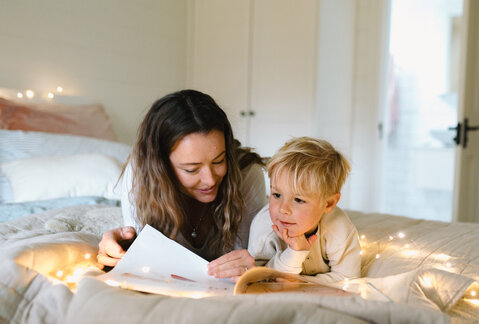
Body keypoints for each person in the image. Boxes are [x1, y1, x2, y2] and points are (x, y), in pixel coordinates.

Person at [97, 89, 267, 280]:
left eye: (219, 161)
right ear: (162, 167)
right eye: (192, 169)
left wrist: (253, 264)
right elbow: (146, 262)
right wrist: (123, 248)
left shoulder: (247, 173)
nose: (210, 180)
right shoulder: (141, 176)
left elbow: (248, 256)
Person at [247, 137, 361, 283]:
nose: (283, 209)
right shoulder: (264, 229)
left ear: (328, 204)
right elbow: (259, 278)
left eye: (298, 200)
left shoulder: (338, 227)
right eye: (277, 195)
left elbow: (349, 278)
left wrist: (299, 282)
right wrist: (294, 254)